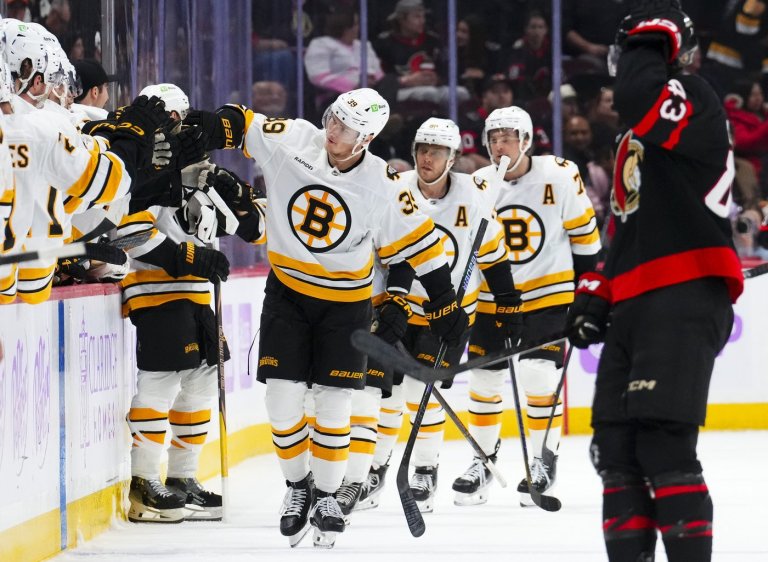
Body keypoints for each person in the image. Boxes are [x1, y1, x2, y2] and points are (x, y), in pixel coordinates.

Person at [186, 87, 467, 547]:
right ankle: (299, 486)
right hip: (288, 294)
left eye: (346, 127)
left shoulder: (385, 183)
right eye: (334, 118)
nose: (333, 130)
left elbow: (423, 245)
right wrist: (208, 127)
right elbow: (243, 122)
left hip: (346, 305)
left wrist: (445, 302)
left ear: (366, 139)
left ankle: (329, 497)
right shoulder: (295, 138)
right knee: (282, 400)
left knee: (335, 403)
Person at [565, 2, 744, 561]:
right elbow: (628, 226)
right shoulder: (634, 139)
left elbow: (639, 94)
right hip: (636, 300)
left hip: (685, 291)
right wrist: (598, 290)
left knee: (664, 446)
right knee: (615, 451)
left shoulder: (692, 97)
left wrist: (649, 34)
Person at [347, 117, 520, 514]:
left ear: (452, 158)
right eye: (423, 150)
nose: (428, 158)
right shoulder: (397, 189)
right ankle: (376, 469)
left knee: (421, 393)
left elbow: (493, 255)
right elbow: (390, 251)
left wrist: (508, 302)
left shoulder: (473, 196)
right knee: (386, 394)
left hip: (450, 316)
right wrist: (391, 299)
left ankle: (425, 468)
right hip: (400, 309)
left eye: (437, 152)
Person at [457, 105, 600, 507]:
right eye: (493, 138)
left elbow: (585, 238)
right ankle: (483, 461)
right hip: (494, 299)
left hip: (548, 293)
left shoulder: (559, 173)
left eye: (508, 137)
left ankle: (542, 460)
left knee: (538, 376)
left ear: (526, 140)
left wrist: (587, 295)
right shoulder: (479, 183)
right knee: (483, 381)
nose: (500, 146)